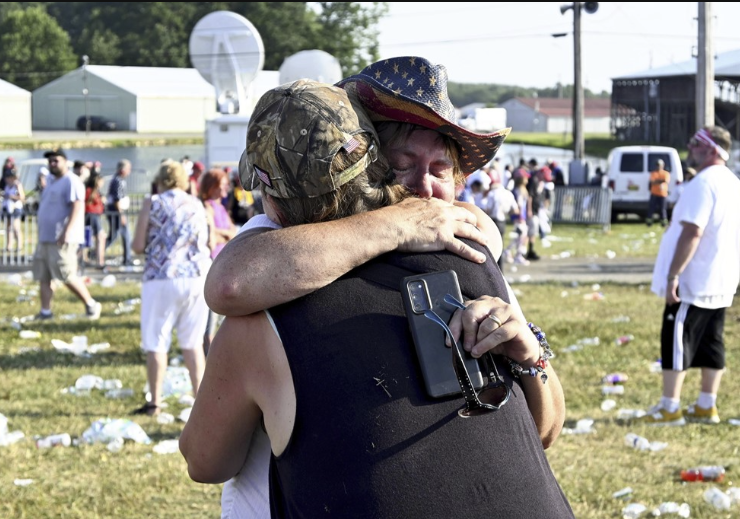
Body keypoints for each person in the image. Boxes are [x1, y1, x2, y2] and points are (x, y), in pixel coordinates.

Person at [180, 79, 573, 518]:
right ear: (367, 164)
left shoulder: (467, 256)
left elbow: (542, 431)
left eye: (442, 169)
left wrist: (528, 353)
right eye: (403, 164)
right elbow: (231, 281)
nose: (424, 190)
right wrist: (397, 225)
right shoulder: (276, 260)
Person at [644, 126, 740, 426]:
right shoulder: (733, 182)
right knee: (712, 340)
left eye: (696, 144)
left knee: (676, 339)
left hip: (694, 278)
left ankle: (670, 406)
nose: (690, 146)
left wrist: (674, 275)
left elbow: (692, 231)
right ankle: (705, 405)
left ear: (713, 150)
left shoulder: (703, 183)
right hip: (720, 279)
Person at [130, 160, 211, 416]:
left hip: (162, 276)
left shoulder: (152, 203)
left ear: (160, 179)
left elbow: (137, 245)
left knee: (156, 341)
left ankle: (155, 401)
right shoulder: (196, 204)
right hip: (197, 277)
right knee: (193, 343)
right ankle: (200, 400)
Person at [32, 150, 101, 321]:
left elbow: (77, 206)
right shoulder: (51, 181)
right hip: (45, 238)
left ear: (65, 161)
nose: (52, 164)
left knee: (66, 274)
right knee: (44, 276)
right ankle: (45, 312)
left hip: (61, 238)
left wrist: (67, 231)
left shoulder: (71, 181)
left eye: (56, 160)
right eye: (50, 161)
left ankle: (91, 304)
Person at [198, 167, 236, 354]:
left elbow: (232, 232)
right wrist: (224, 235)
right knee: (210, 317)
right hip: (212, 262)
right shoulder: (206, 207)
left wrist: (223, 234)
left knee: (222, 315)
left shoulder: (220, 207)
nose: (226, 189)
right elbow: (210, 237)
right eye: (222, 186)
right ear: (212, 187)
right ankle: (208, 354)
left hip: (223, 261)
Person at [105, 159, 133, 266]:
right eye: (128, 169)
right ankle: (127, 259)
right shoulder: (118, 181)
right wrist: (121, 215)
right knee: (124, 235)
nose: (129, 172)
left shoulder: (119, 180)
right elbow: (117, 199)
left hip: (117, 211)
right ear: (123, 170)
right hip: (116, 212)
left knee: (115, 235)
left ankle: (96, 253)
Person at [84, 172, 107, 269]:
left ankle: (97, 259)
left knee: (95, 238)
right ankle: (97, 260)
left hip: (95, 215)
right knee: (97, 237)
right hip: (91, 215)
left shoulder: (96, 192)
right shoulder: (90, 191)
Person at [0, 169, 25, 252]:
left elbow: (22, 198)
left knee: (16, 227)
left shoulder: (17, 185)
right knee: (8, 227)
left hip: (16, 208)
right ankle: (9, 246)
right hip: (8, 208)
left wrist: (11, 197)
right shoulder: (7, 186)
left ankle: (19, 246)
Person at [646, 158, 670, 226]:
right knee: (651, 209)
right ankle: (649, 222)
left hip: (663, 194)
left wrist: (657, 181)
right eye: (657, 165)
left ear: (662, 165)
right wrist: (660, 181)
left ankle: (663, 223)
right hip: (654, 193)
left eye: (659, 165)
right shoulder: (653, 173)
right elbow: (652, 181)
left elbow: (665, 180)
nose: (658, 166)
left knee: (663, 210)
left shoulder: (666, 173)